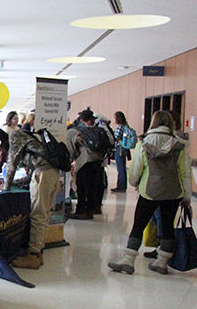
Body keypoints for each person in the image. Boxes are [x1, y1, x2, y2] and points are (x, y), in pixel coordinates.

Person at [109, 110, 191, 275]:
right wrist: (187, 196)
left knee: (139, 224)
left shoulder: (144, 143)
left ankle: (128, 260)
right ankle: (162, 262)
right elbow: (185, 173)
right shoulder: (179, 145)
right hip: (173, 192)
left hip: (149, 190)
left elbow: (136, 170)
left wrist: (134, 183)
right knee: (167, 225)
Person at [1, 129, 61, 269]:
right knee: (44, 214)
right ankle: (38, 252)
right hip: (52, 173)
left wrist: (6, 187)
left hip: (43, 173)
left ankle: (33, 256)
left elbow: (12, 164)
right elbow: (28, 174)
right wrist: (14, 183)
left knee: (37, 215)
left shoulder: (14, 137)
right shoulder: (28, 138)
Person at [65, 108, 106, 219]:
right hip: (98, 160)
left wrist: (67, 164)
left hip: (85, 161)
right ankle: (91, 210)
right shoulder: (96, 129)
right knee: (93, 186)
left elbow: (70, 151)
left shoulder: (72, 132)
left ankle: (81, 211)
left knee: (82, 186)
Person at [111, 111, 130, 192]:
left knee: (120, 168)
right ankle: (123, 186)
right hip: (124, 149)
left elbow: (116, 137)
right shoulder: (126, 126)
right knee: (123, 168)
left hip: (119, 149)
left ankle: (120, 186)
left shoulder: (120, 126)